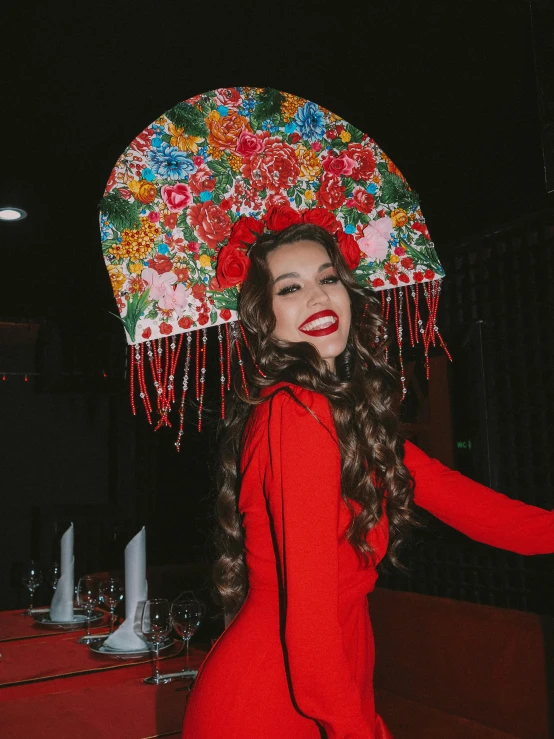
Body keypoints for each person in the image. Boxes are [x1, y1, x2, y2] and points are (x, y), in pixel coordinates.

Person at [181, 223, 554, 739]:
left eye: (328, 278)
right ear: (261, 320)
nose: (317, 296)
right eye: (290, 287)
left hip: (329, 679)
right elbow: (310, 625)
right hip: (275, 700)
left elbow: (486, 514)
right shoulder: (298, 413)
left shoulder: (346, 420)